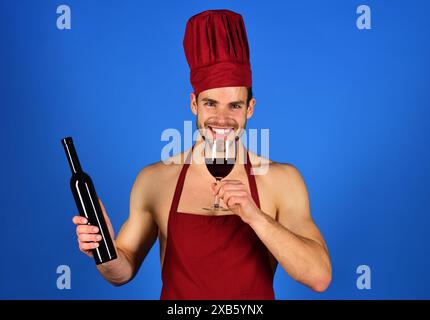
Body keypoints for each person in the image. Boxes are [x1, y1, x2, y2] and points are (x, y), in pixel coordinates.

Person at [72, 9, 331, 299]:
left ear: (250, 108)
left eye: (234, 105)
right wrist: (104, 250)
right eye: (210, 103)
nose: (222, 118)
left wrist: (256, 217)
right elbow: (122, 272)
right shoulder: (155, 179)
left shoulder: (281, 180)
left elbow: (319, 276)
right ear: (194, 104)